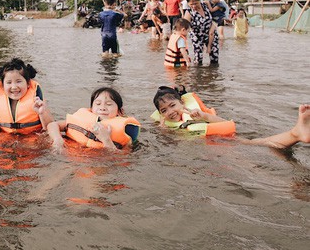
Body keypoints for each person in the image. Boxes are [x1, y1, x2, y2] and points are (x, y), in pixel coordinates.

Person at [152, 86, 310, 148]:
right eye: (164, 110)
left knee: (258, 145)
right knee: (262, 144)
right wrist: (163, 130)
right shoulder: (166, 126)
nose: (170, 112)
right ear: (161, 114)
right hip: (214, 145)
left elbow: (226, 123)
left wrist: (204, 116)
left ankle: (296, 133)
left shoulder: (194, 114)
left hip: (223, 140)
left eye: (172, 106)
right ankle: (296, 134)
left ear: (181, 102)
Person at [47, 87, 140, 152]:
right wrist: (57, 139)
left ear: (120, 112)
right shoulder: (83, 118)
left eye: (109, 104)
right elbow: (53, 125)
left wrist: (106, 140)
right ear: (91, 109)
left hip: (95, 163)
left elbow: (122, 159)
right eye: (98, 104)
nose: (102, 108)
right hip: (69, 154)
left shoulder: (125, 131)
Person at [0, 58, 54, 133]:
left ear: (28, 83)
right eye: (9, 82)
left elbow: (51, 127)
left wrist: (42, 113)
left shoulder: (38, 102)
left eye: (18, 81)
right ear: (3, 86)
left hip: (32, 138)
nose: (14, 87)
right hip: (5, 138)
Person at [183, 0, 219, 65]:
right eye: (191, 4)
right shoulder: (188, 13)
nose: (194, 6)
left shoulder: (206, 5)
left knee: (215, 58)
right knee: (198, 60)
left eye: (196, 3)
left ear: (200, 0)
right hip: (197, 38)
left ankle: (213, 75)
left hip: (211, 34)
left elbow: (217, 16)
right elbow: (184, 28)